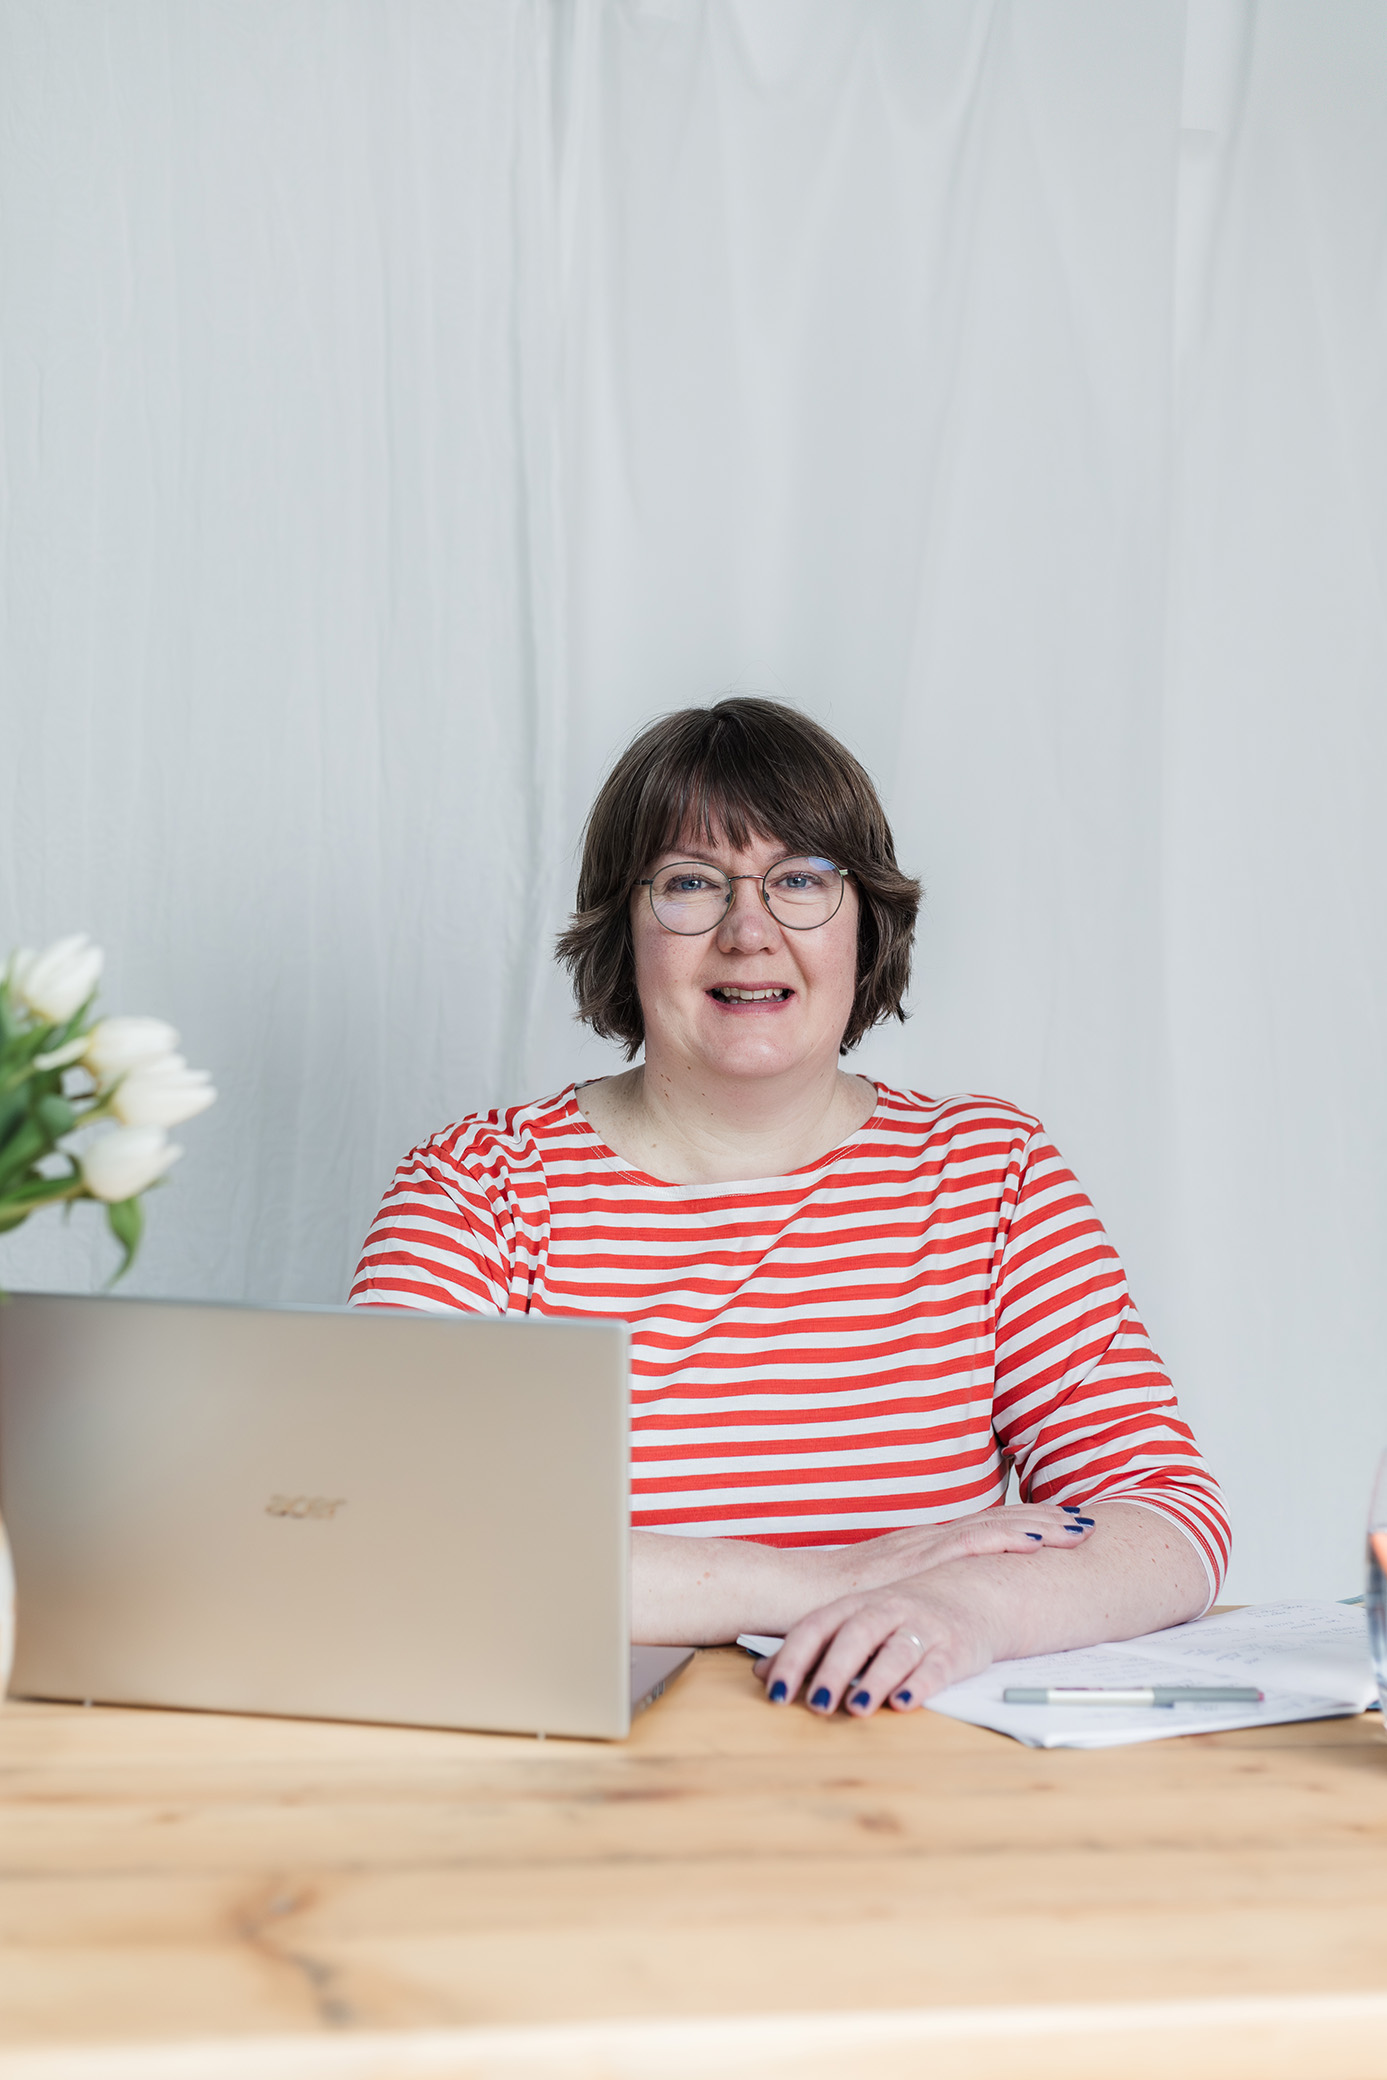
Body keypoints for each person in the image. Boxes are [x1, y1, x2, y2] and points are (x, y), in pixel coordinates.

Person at [353, 698, 1228, 1717]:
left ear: (866, 922)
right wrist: (826, 1581)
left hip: (914, 1762)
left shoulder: (991, 1172)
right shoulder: (474, 1188)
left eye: (801, 880)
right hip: (587, 1771)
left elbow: (1169, 1521)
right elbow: (385, 1535)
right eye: (690, 883)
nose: (749, 932)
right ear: (622, 928)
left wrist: (963, 1610)